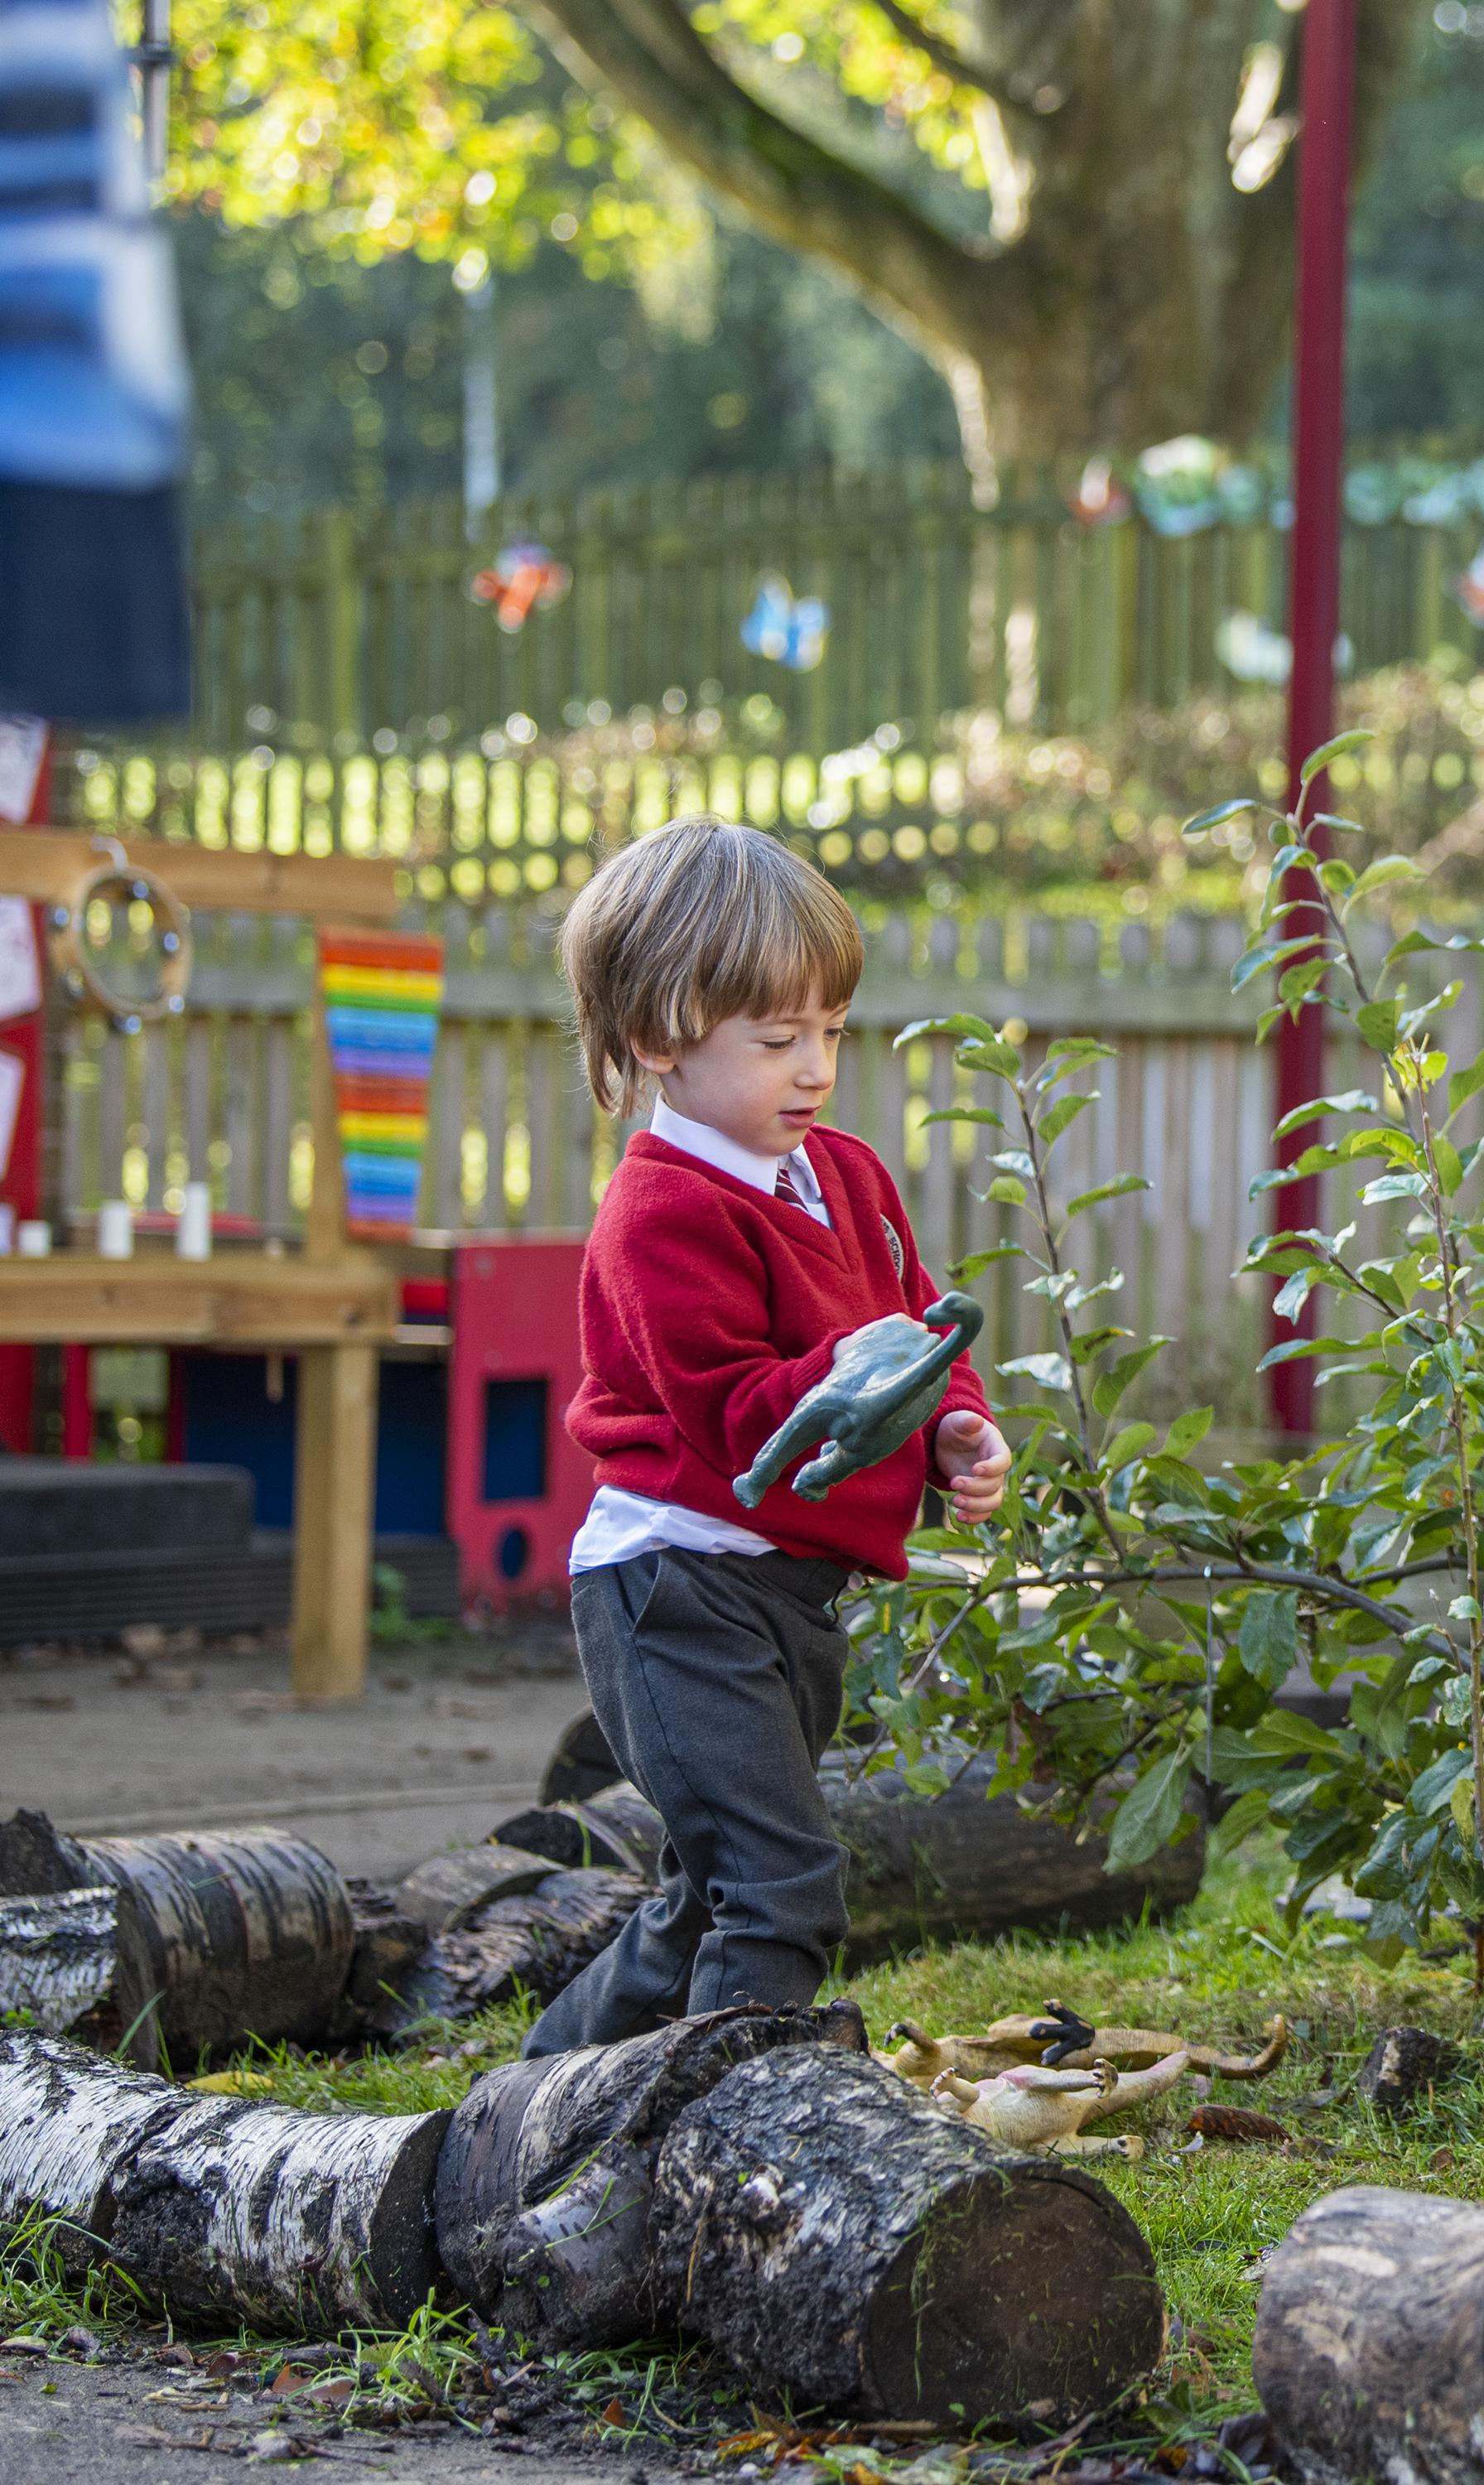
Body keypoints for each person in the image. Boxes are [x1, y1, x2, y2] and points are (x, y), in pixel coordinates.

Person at [523, 817, 1010, 2058]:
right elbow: (739, 1415)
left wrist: (955, 1423)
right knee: (779, 1885)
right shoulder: (660, 1213)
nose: (816, 1069)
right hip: (675, 1587)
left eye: (831, 1033)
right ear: (659, 1038)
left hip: (790, 1587)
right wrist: (857, 1374)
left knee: (708, 1894)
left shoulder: (845, 1175)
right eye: (778, 1039)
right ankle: (745, 2113)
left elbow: (914, 1324)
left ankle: (542, 2094)